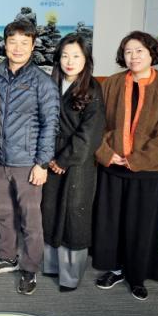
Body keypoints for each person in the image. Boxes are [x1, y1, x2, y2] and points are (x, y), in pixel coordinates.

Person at [92, 31, 158, 301]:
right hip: (112, 166)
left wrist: (135, 160)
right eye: (128, 51)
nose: (133, 56)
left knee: (140, 225)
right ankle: (115, 269)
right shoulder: (111, 84)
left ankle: (137, 276)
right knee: (111, 222)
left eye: (139, 51)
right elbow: (96, 124)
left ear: (152, 53)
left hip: (147, 171)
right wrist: (106, 153)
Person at [0, 19, 60, 295]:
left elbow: (51, 124)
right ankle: (7, 256)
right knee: (3, 213)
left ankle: (29, 268)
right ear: (4, 44)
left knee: (30, 219)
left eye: (24, 43)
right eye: (12, 42)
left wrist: (42, 163)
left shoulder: (42, 82)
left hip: (28, 163)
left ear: (33, 45)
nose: (17, 48)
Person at [41, 33, 105, 292]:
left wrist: (64, 159)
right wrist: (47, 155)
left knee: (73, 215)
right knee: (50, 210)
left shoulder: (93, 89)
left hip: (77, 163)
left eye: (76, 56)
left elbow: (90, 134)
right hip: (49, 158)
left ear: (86, 59)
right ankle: (51, 265)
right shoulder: (51, 84)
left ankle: (70, 276)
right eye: (65, 56)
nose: (70, 61)